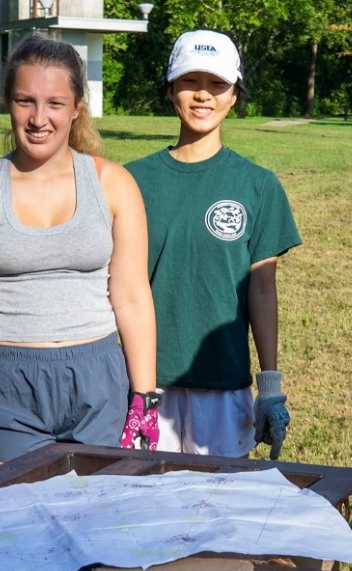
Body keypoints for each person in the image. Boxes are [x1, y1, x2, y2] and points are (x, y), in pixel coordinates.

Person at [0, 34, 158, 469]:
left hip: (98, 377)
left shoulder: (115, 185)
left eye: (54, 103)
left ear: (76, 109)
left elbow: (132, 297)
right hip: (6, 383)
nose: (38, 118)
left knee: (97, 524)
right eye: (24, 101)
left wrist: (144, 399)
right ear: (8, 104)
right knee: (13, 528)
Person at [127, 30, 301, 457]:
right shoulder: (129, 181)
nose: (203, 95)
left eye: (217, 84)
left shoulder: (258, 185)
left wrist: (271, 387)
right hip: (145, 383)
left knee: (218, 512)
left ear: (234, 95)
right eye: (190, 81)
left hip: (224, 383)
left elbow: (262, 290)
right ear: (170, 90)